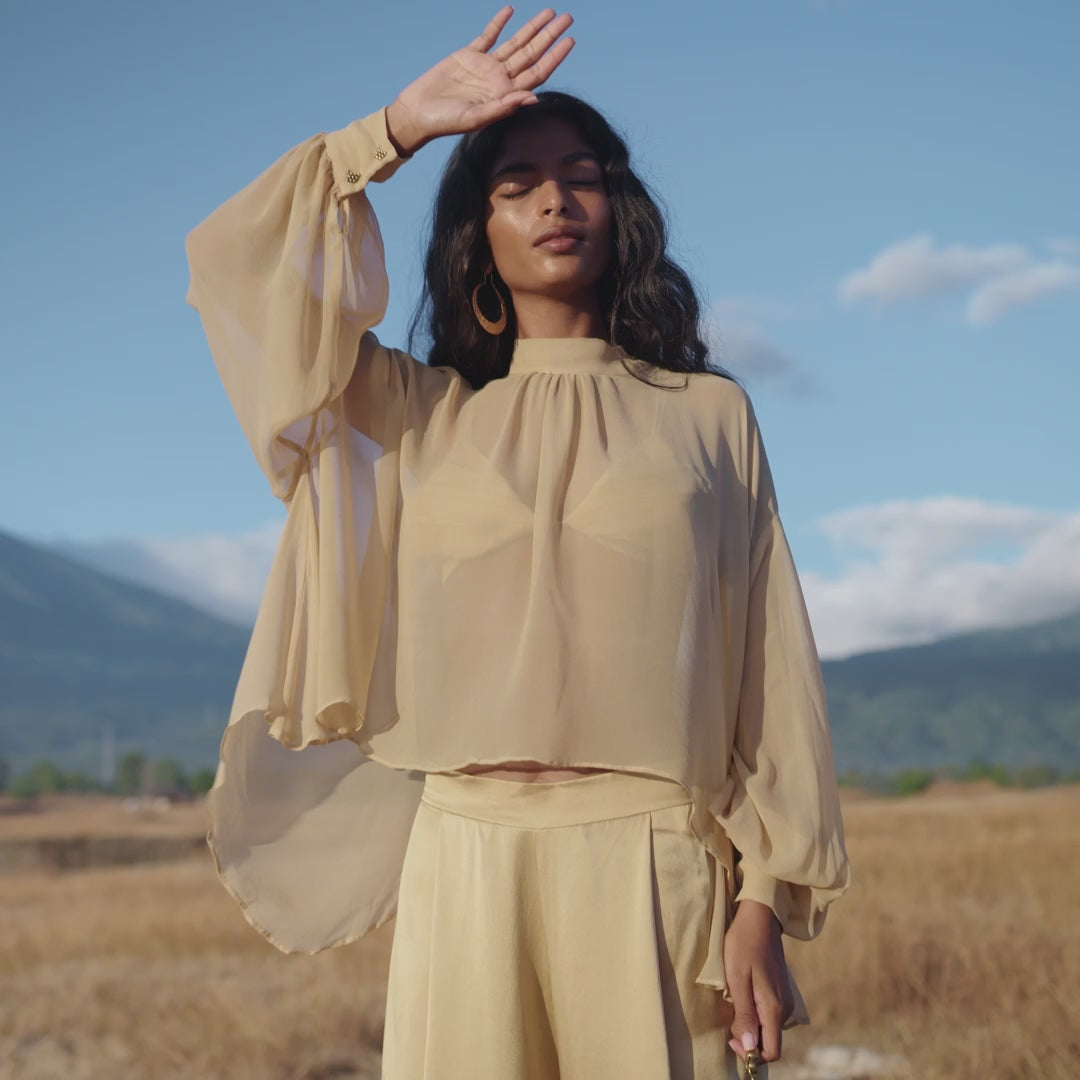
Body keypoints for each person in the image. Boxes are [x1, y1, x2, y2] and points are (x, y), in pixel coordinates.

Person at [184, 7, 852, 1078]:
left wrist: (762, 901)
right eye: (515, 183)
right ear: (476, 234)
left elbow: (769, 675)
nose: (553, 198)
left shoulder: (707, 417)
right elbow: (236, 268)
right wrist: (394, 130)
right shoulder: (408, 412)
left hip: (655, 858)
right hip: (464, 853)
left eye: (580, 174)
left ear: (619, 209)